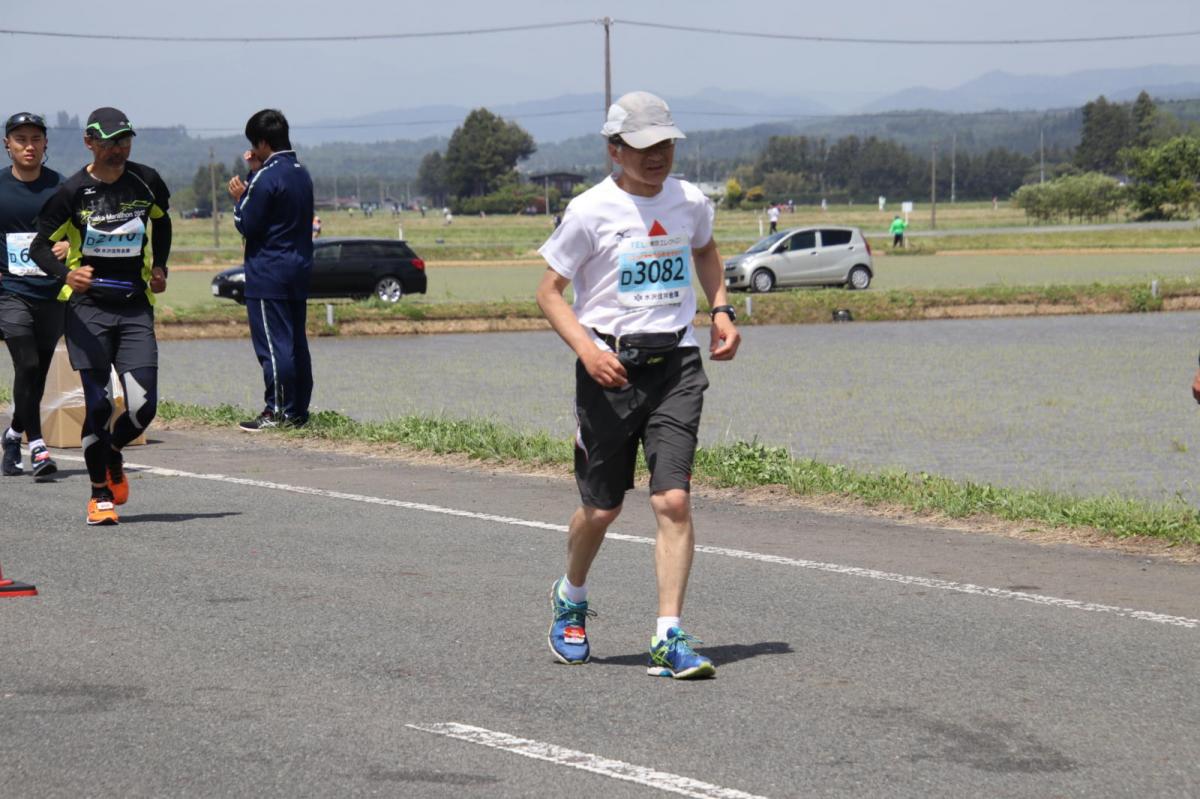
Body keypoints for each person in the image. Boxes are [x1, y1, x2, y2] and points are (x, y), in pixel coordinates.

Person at [535, 90, 741, 680]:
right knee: (601, 509)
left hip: (675, 365)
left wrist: (721, 310)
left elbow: (705, 251)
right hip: (610, 370)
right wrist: (587, 350)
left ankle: (667, 637)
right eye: (646, 146)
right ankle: (571, 598)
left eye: (667, 144)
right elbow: (548, 293)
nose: (659, 156)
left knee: (672, 499)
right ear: (615, 149)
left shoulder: (690, 202)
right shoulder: (588, 211)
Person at [28, 107, 171, 526]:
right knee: (98, 404)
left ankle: (111, 452)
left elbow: (161, 222)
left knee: (144, 408)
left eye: (125, 139)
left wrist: (160, 265)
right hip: (87, 309)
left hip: (133, 307)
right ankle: (100, 494)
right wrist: (66, 272)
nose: (119, 148)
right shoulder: (71, 191)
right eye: (109, 141)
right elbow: (39, 246)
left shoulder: (147, 180)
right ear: (89, 142)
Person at [227, 109, 314, 432]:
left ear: (262, 143)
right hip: (299, 267)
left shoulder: (266, 177)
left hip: (268, 271)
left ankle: (276, 410)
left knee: (274, 345)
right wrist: (255, 173)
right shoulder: (300, 172)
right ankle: (298, 410)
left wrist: (239, 197)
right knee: (295, 343)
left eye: (255, 145)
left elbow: (247, 223)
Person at [0, 112, 69, 480]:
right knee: (25, 364)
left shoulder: (61, 187)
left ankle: (12, 435)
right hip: (11, 293)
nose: (29, 145)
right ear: (7, 144)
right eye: (21, 138)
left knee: (37, 374)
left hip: (52, 292)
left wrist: (68, 244)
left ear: (45, 145)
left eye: (36, 139)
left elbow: (82, 228)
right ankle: (39, 447)